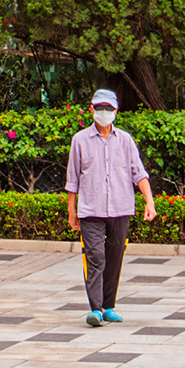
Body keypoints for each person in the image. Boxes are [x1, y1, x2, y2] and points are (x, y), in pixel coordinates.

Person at [65, 85, 156, 323]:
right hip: (90, 210)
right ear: (91, 109)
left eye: (108, 108)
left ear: (116, 111)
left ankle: (108, 306)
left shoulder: (125, 140)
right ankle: (95, 309)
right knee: (95, 256)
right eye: (99, 108)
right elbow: (73, 179)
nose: (103, 112)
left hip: (120, 209)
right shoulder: (80, 140)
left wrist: (149, 202)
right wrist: (71, 211)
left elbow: (139, 173)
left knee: (115, 257)